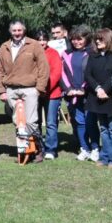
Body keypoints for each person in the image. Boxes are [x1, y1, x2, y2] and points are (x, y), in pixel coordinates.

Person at [0, 20, 49, 163]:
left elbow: (43, 68)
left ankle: (38, 150)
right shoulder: (4, 47)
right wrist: (1, 90)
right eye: (14, 30)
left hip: (30, 89)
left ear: (24, 30)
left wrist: (39, 88)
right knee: (18, 123)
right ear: (10, 31)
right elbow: (0, 70)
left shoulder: (34, 45)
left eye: (19, 30)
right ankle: (24, 151)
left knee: (31, 122)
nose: (17, 33)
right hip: (11, 90)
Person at [86, 29, 112, 167]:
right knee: (103, 128)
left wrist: (105, 90)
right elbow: (88, 75)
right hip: (97, 97)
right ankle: (105, 156)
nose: (97, 41)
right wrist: (98, 89)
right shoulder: (93, 55)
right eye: (96, 39)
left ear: (109, 39)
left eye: (101, 39)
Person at [61, 26, 97, 162]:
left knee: (91, 122)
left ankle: (95, 148)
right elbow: (62, 73)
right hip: (72, 94)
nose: (76, 42)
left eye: (79, 39)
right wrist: (69, 89)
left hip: (88, 94)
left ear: (86, 39)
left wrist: (84, 88)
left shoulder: (92, 53)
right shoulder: (66, 53)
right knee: (79, 122)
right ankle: (84, 148)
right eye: (74, 39)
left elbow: (93, 73)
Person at [35, 30, 64, 160]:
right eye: (39, 39)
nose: (41, 42)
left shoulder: (53, 53)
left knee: (51, 122)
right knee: (36, 122)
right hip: (36, 93)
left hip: (52, 93)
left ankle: (51, 149)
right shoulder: (32, 53)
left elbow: (56, 73)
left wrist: (45, 89)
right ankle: (38, 147)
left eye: (44, 39)